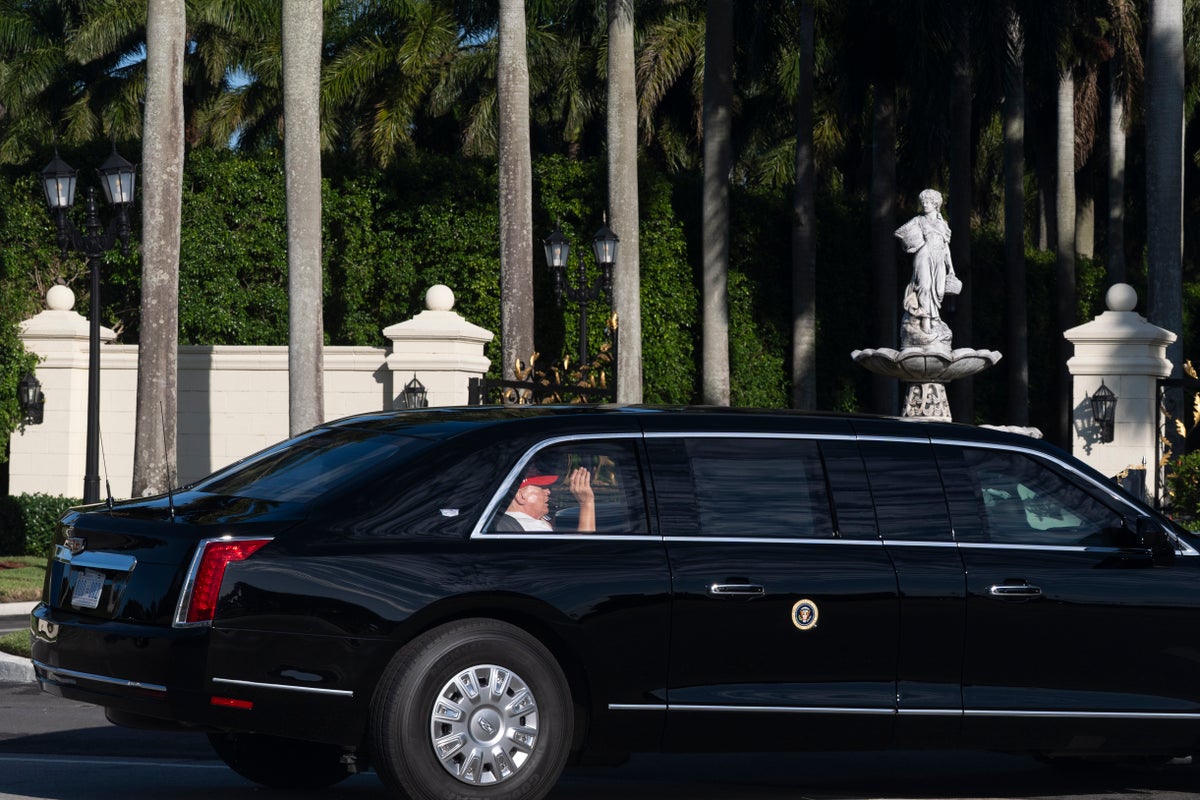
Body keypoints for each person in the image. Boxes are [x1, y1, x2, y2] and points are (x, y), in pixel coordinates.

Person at [895, 188, 958, 339]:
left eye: (928, 202)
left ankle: (935, 318)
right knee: (924, 286)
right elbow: (899, 233)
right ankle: (926, 319)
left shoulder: (943, 224)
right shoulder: (918, 220)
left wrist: (951, 268)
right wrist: (911, 244)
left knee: (939, 291)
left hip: (939, 257)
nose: (924, 204)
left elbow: (946, 248)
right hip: (923, 254)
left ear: (936, 204)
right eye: (923, 201)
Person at [499, 467, 595, 532]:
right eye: (542, 487)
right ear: (521, 496)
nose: (548, 491)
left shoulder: (508, 519)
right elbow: (579, 553)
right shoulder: (531, 526)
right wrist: (586, 504)